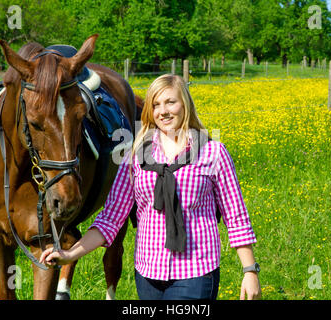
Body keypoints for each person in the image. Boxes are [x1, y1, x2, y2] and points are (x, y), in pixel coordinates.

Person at [40, 74, 261, 300]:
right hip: (148, 275)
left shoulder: (213, 153)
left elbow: (236, 216)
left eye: (170, 102)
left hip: (196, 272)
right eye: (156, 104)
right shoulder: (136, 156)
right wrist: (69, 254)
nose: (163, 111)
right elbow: (111, 218)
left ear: (185, 104)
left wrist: (250, 271)